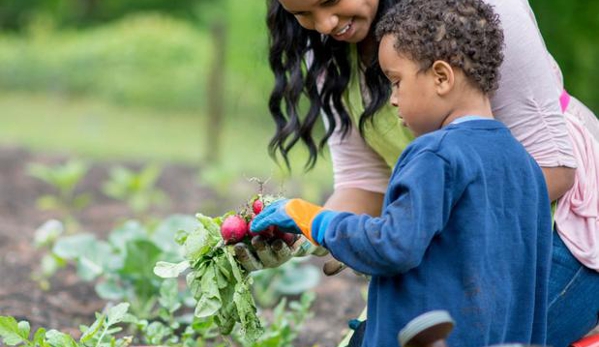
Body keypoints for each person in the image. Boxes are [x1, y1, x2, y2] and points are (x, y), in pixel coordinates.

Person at [235, 0, 599, 345]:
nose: (325, 26)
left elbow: (551, 171)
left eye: (330, 1)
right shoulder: (329, 49)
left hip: (559, 228)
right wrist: (304, 231)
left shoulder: (440, 155)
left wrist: (408, 233)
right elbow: (365, 183)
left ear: (441, 76)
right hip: (439, 230)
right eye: (302, 13)